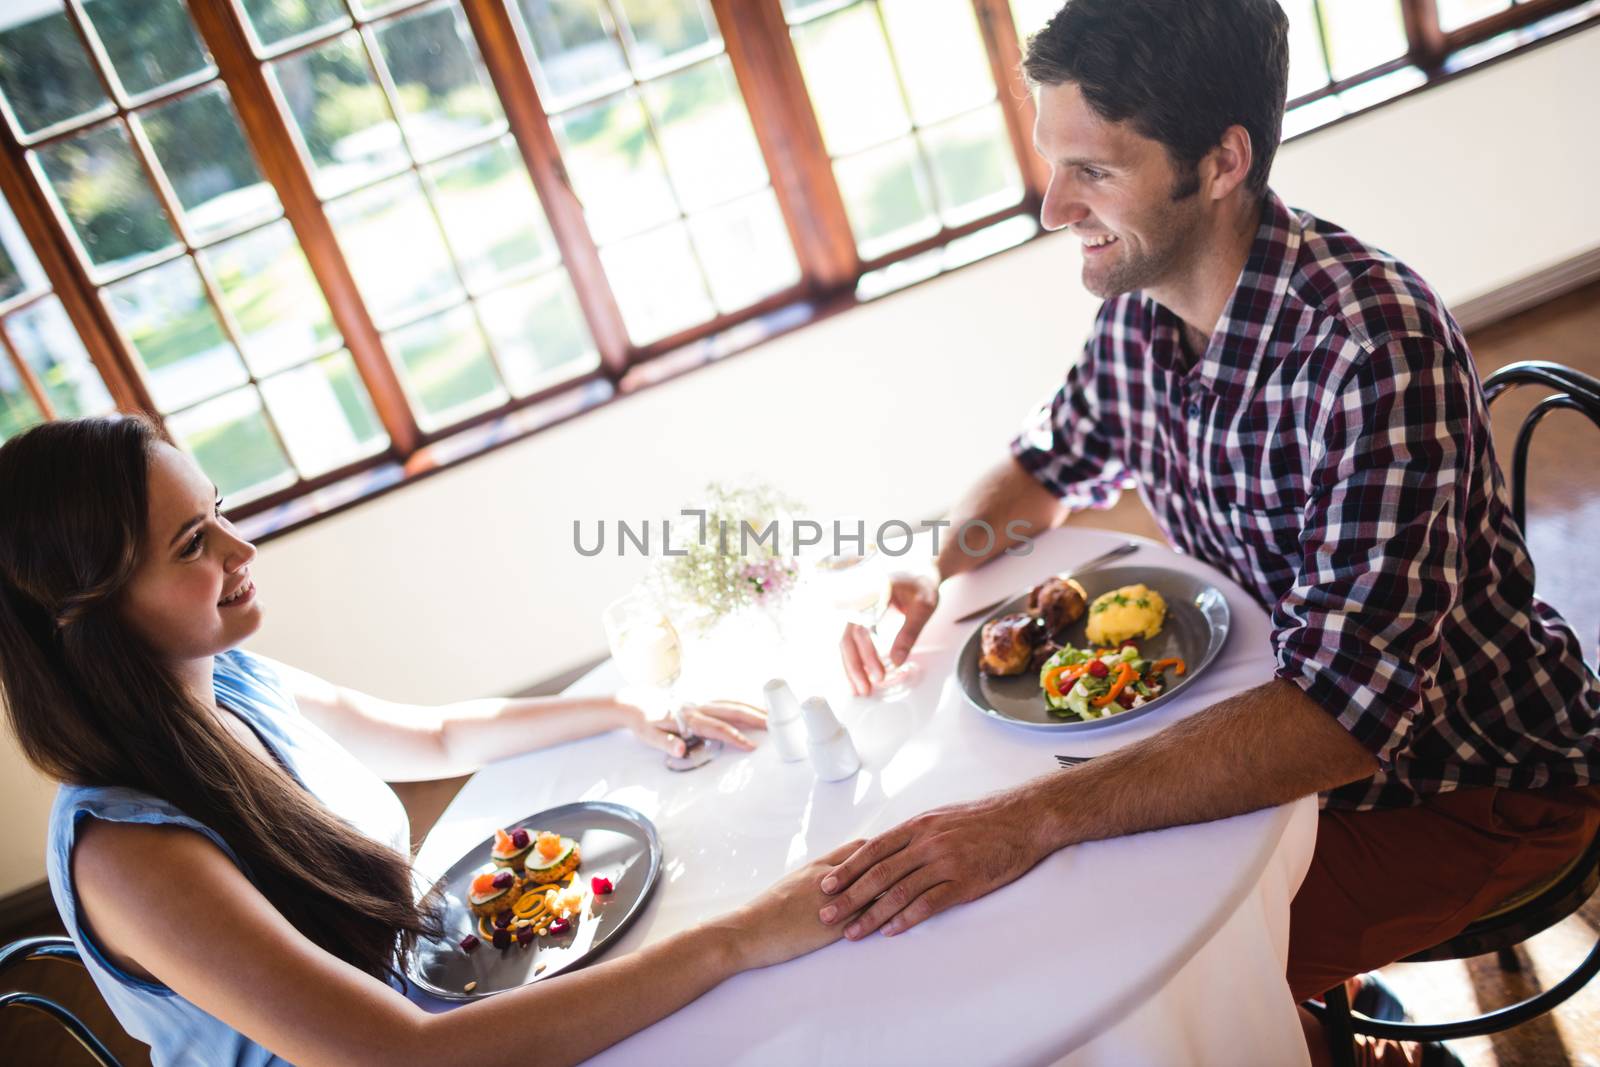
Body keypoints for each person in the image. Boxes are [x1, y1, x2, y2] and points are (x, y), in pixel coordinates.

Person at [829, 1, 1600, 1064]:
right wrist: (927, 565)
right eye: (1053, 162)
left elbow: (1337, 718)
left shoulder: (1370, 351)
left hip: (1472, 787)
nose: (1054, 206)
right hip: (1306, 762)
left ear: (1222, 160)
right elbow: (1043, 462)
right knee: (1055, 906)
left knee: (1140, 974)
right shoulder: (1142, 310)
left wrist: (1030, 817)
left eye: (1093, 170)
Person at [0, 415, 859, 1066]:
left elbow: (435, 734)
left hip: (456, 1011)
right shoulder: (125, 852)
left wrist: (622, 709)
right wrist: (739, 937)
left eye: (218, 510)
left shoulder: (232, 680)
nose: (243, 544)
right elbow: (405, 1057)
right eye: (195, 542)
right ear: (93, 614)